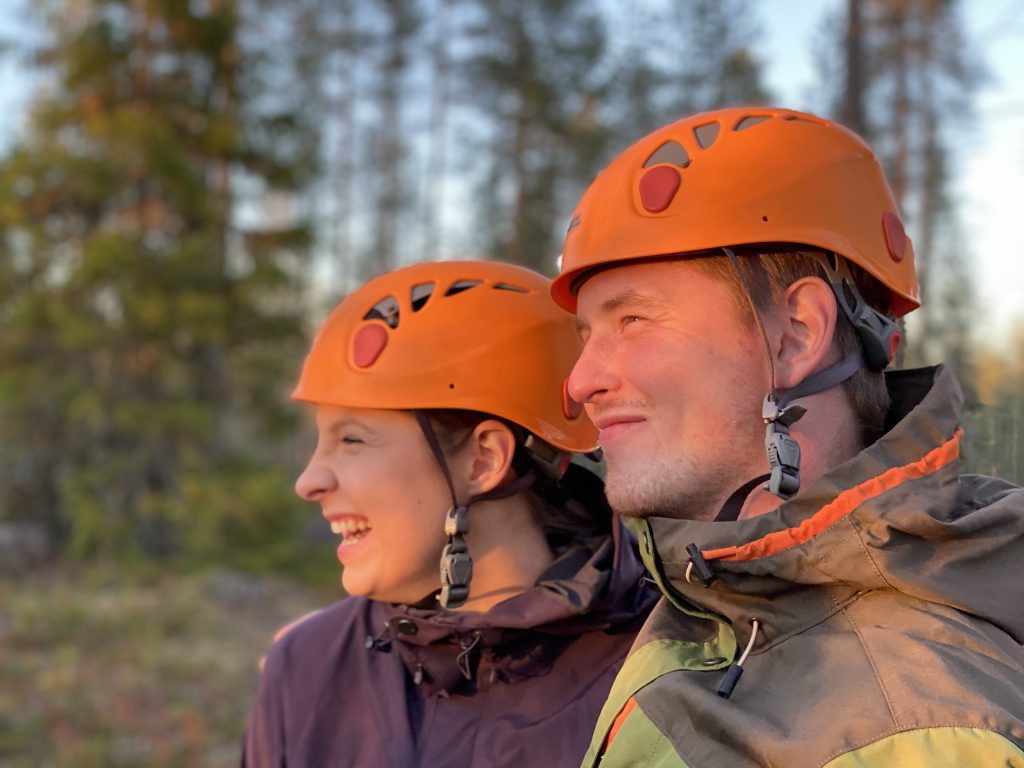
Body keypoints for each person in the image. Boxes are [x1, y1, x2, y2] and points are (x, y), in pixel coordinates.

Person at [551, 106, 1024, 767]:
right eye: (586, 337)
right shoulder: (716, 593)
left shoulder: (916, 736)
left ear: (796, 334)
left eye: (633, 319)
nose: (579, 384)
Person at [241, 260, 656, 767]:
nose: (309, 481)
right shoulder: (307, 667)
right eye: (320, 440)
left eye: (351, 440)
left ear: (484, 459)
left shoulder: (660, 675)